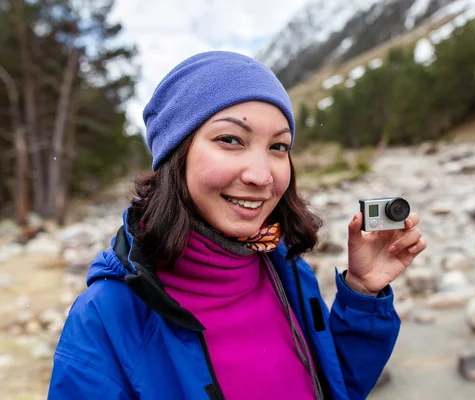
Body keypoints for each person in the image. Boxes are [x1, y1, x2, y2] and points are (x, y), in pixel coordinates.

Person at [47, 51, 426, 400]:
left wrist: (362, 293)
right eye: (230, 140)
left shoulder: (284, 269)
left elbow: (335, 386)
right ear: (175, 155)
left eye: (278, 147)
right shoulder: (105, 319)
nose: (262, 176)